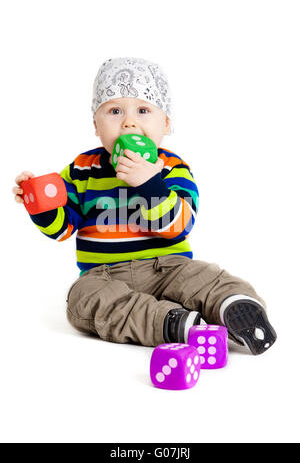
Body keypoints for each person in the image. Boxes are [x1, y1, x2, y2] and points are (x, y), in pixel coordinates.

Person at [12, 57, 277, 354]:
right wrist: (40, 206)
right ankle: (173, 323)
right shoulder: (81, 170)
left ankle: (238, 307)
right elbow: (62, 229)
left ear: (165, 123)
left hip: (169, 268)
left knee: (207, 277)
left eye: (143, 110)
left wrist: (151, 183)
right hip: (103, 274)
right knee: (81, 299)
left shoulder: (172, 168)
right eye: (114, 111)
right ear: (96, 126)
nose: (129, 122)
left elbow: (180, 226)